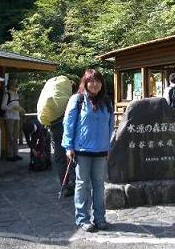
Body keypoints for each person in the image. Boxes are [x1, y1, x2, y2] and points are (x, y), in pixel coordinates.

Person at [62, 69, 114, 232]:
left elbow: (110, 126)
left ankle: (100, 218)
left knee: (99, 185)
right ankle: (83, 219)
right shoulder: (77, 100)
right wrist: (69, 146)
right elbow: (68, 123)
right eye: (91, 81)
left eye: (97, 81)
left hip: (100, 150)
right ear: (85, 82)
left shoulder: (106, 102)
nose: (94, 84)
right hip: (82, 150)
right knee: (82, 184)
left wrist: (108, 147)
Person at [1, 79, 25, 162]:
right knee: (10, 136)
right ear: (10, 86)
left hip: (16, 117)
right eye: (14, 85)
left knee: (15, 137)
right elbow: (3, 106)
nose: (16, 87)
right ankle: (10, 155)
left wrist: (20, 109)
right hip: (9, 117)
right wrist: (12, 108)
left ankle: (15, 154)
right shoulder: (7, 94)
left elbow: (17, 105)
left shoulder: (16, 94)